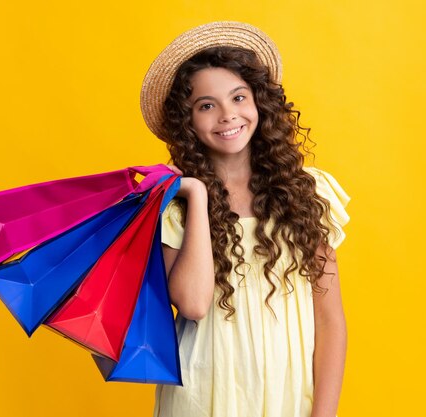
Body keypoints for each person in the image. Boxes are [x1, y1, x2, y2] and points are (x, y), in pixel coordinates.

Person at [140, 21, 351, 417]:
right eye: (206, 105)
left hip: (289, 393)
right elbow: (193, 304)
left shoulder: (310, 192)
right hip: (203, 394)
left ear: (259, 102)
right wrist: (197, 196)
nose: (227, 115)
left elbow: (330, 319)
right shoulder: (174, 205)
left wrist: (324, 414)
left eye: (238, 98)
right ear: (188, 123)